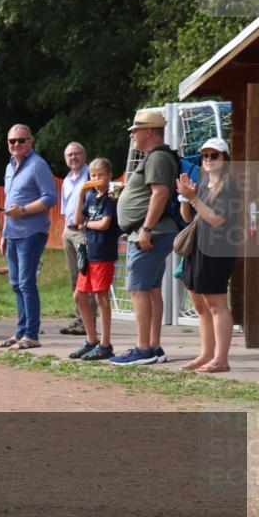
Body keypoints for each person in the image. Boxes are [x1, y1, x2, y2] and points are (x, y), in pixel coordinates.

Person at [112, 110, 178, 366]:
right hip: (151, 231)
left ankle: (143, 349)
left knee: (138, 290)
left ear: (149, 131)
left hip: (149, 233)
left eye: (135, 130)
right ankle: (153, 346)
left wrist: (146, 229)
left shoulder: (157, 157)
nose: (132, 135)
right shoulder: (156, 157)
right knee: (151, 290)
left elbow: (160, 194)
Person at [178, 138, 240, 373]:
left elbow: (217, 219)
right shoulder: (204, 184)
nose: (209, 160)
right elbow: (187, 218)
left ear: (225, 159)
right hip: (198, 247)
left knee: (216, 303)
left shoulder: (230, 186)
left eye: (215, 155)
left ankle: (221, 358)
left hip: (218, 249)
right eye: (205, 156)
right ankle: (205, 354)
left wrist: (193, 198)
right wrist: (186, 197)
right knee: (200, 304)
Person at [0, 124, 57, 350]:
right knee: (15, 283)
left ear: (31, 141)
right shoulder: (10, 167)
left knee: (26, 283)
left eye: (21, 140)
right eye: (12, 141)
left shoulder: (37, 165)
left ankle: (31, 334)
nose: (16, 145)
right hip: (12, 233)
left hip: (32, 232)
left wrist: (22, 211)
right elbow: (8, 202)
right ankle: (21, 331)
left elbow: (50, 197)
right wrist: (4, 233)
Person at [69, 159, 120, 361]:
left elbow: (105, 224)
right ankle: (91, 340)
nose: (96, 179)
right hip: (89, 253)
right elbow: (76, 220)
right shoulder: (90, 196)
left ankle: (106, 344)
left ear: (109, 176)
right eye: (93, 176)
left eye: (100, 175)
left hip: (103, 253)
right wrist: (81, 194)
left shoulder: (110, 198)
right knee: (79, 296)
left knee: (101, 298)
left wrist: (87, 224)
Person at [59, 142, 96, 336]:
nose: (73, 158)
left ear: (84, 155)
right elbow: (66, 208)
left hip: (84, 231)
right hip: (69, 230)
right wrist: (65, 228)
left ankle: (88, 322)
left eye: (76, 154)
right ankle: (79, 317)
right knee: (75, 277)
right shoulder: (67, 179)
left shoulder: (92, 175)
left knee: (86, 276)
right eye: (69, 155)